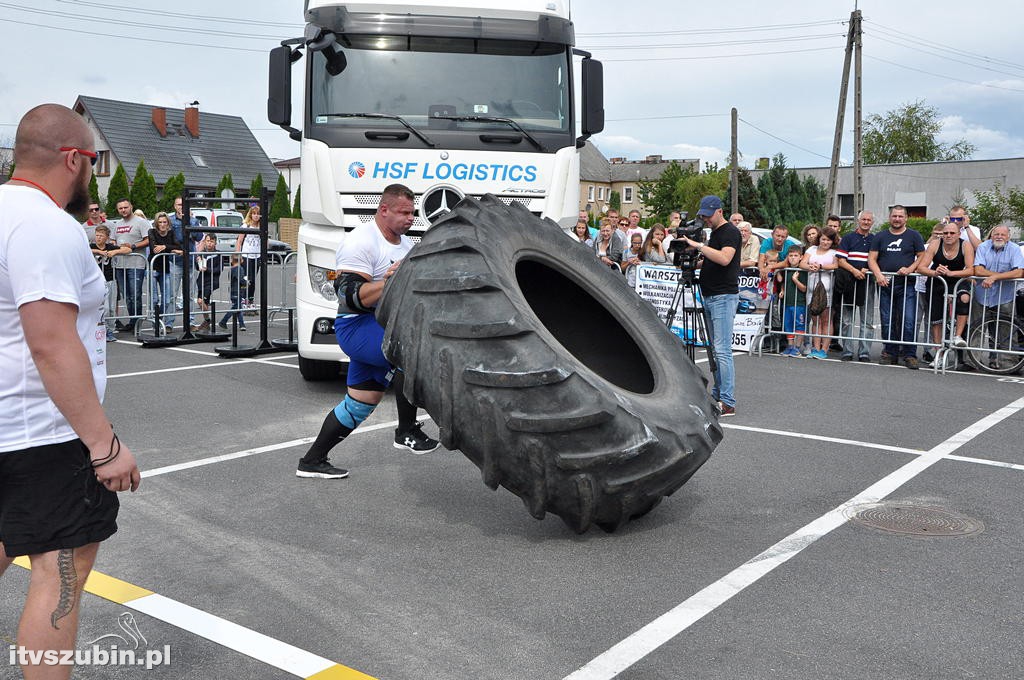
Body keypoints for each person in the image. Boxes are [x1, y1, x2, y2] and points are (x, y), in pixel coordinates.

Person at [0, 103, 140, 680]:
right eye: (92, 162)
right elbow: (52, 344)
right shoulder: (47, 224)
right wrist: (104, 447)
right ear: (73, 159)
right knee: (61, 574)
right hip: (42, 432)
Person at [297, 183, 440, 479]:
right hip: (356, 326)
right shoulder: (361, 241)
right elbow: (348, 295)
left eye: (412, 214)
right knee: (409, 354)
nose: (410, 219)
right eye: (403, 213)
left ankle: (312, 461)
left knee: (360, 403)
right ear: (383, 210)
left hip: (380, 327)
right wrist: (389, 281)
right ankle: (406, 431)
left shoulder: (406, 246)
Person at [679, 195, 741, 417]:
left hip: (723, 296)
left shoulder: (731, 232)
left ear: (720, 212)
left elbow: (725, 258)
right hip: (711, 295)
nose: (705, 218)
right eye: (703, 214)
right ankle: (718, 392)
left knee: (722, 350)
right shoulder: (715, 233)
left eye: (708, 214)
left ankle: (728, 401)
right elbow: (715, 259)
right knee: (715, 348)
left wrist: (698, 245)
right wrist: (694, 260)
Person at [868, 205, 926, 369]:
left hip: (907, 285)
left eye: (900, 216)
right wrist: (878, 274)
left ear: (906, 218)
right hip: (885, 284)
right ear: (889, 218)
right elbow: (872, 258)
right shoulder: (880, 236)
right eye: (894, 216)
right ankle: (889, 352)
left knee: (908, 321)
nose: (897, 219)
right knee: (887, 321)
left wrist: (910, 269)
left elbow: (922, 256)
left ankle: (909, 354)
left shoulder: (914, 235)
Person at [917, 222, 974, 359]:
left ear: (959, 234)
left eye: (952, 233)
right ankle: (939, 352)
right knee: (936, 318)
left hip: (958, 279)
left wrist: (951, 273)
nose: (948, 236)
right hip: (937, 281)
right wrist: (935, 272)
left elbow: (971, 269)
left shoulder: (965, 245)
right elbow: (921, 268)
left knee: (964, 298)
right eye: (945, 233)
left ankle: (958, 335)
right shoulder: (935, 244)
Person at [836, 210, 875, 362]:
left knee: (868, 320)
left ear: (872, 223)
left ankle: (864, 352)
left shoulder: (875, 239)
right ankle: (847, 351)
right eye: (863, 219)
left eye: (869, 220)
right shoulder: (848, 238)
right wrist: (854, 270)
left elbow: (878, 260)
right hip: (849, 281)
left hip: (868, 283)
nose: (866, 222)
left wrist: (869, 269)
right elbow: (840, 260)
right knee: (847, 319)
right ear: (858, 221)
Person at [971, 224, 1024, 326]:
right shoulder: (982, 247)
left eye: (1003, 235)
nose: (999, 237)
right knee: (976, 330)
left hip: (1005, 297)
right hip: (982, 295)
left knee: (1007, 331)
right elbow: (978, 270)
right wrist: (1003, 275)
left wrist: (994, 277)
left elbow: (1019, 272)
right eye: (996, 234)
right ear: (991, 236)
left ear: (1008, 237)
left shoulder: (1015, 249)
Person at [800, 226, 839, 359]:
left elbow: (835, 266)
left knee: (826, 320)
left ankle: (824, 349)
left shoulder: (834, 252)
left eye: (828, 240)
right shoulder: (811, 249)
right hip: (812, 289)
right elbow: (802, 263)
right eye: (823, 239)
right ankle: (815, 348)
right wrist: (810, 266)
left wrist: (821, 267)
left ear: (832, 241)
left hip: (828, 290)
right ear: (819, 239)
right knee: (815, 320)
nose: (825, 242)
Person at [89, 225, 128, 342]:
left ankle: (110, 330)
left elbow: (128, 250)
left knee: (111, 307)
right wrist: (97, 251)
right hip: (96, 281)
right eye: (97, 235)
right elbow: (83, 249)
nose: (98, 238)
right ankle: (100, 329)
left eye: (101, 236)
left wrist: (115, 251)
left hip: (110, 279)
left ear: (107, 237)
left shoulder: (110, 247)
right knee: (103, 307)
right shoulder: (91, 246)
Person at [147, 212, 183, 330]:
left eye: (164, 222)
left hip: (165, 269)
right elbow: (154, 248)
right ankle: (155, 321)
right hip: (152, 268)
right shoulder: (151, 232)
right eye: (160, 222)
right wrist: (169, 248)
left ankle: (159, 318)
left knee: (167, 299)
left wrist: (165, 247)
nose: (162, 225)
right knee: (155, 299)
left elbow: (179, 247)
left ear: (168, 223)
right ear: (156, 224)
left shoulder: (171, 233)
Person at [779, 246, 808, 357]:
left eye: (795, 256)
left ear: (801, 257)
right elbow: (783, 283)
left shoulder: (802, 271)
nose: (793, 258)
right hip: (788, 302)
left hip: (799, 303)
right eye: (790, 256)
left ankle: (797, 347)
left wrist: (795, 280)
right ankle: (790, 346)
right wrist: (782, 290)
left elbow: (804, 288)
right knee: (788, 325)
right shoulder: (787, 270)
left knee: (799, 324)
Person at [192, 233, 223, 332]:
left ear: (215, 243)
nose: (209, 243)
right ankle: (207, 321)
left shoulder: (218, 254)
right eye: (208, 241)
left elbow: (219, 269)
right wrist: (198, 262)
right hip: (202, 281)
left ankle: (208, 321)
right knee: (200, 302)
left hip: (212, 281)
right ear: (205, 242)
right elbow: (198, 268)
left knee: (201, 301)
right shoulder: (201, 253)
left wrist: (207, 269)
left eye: (212, 241)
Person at [235, 205, 262, 312]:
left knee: (253, 280)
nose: (255, 216)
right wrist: (238, 256)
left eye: (257, 213)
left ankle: (250, 301)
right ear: (250, 214)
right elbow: (239, 241)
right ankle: (243, 300)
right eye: (253, 213)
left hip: (257, 257)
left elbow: (266, 243)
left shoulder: (261, 227)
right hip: (246, 256)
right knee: (246, 279)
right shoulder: (246, 226)